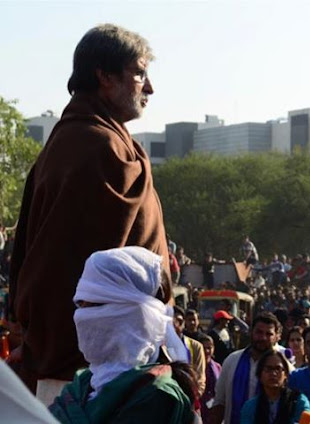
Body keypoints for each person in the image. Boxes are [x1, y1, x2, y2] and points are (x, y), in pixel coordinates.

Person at [7, 24, 170, 400]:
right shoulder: (96, 147)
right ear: (105, 76)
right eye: (140, 73)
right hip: (90, 376)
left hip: (91, 366)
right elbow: (67, 270)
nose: (149, 88)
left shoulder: (86, 139)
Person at [48, 247, 196, 423]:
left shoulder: (156, 395)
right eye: (80, 306)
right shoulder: (82, 385)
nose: (81, 318)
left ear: (131, 315)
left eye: (94, 306)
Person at [212, 312, 289, 424]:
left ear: (277, 337)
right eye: (259, 332)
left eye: (268, 334)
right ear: (250, 332)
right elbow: (220, 402)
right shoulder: (232, 361)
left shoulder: (284, 368)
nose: (262, 338)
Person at [240, 349, 310, 424]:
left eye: (278, 369)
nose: (273, 373)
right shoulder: (251, 407)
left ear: (286, 375)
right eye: (268, 369)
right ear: (260, 374)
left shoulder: (298, 401)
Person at [173, 306, 207, 397]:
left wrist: (194, 396)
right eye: (172, 322)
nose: (175, 325)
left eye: (179, 321)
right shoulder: (160, 346)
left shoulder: (195, 346)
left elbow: (200, 378)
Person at [200, 334, 222, 424]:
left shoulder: (217, 367)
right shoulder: (195, 367)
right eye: (204, 348)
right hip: (200, 408)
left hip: (214, 408)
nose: (207, 351)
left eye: (209, 348)